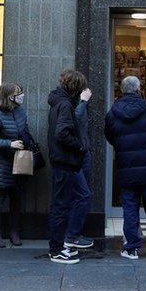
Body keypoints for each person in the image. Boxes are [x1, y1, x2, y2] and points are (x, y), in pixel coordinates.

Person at [105, 76, 146, 260]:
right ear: (139, 89)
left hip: (126, 168)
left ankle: (131, 247)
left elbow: (110, 136)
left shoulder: (113, 112)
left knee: (130, 209)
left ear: (122, 90)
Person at [0, 83, 40, 248]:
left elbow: (25, 129)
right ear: (9, 96)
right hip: (1, 164)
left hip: (20, 161)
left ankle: (15, 232)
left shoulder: (20, 111)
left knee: (16, 198)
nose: (21, 95)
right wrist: (9, 144)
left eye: (21, 91)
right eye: (17, 93)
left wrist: (26, 140)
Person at [46, 69, 89, 264]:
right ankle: (56, 250)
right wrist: (79, 145)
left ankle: (61, 245)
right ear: (75, 87)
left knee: (65, 202)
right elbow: (62, 133)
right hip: (65, 161)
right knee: (61, 205)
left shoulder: (59, 102)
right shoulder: (64, 105)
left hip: (62, 160)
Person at [64, 86, 94, 250]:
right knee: (82, 194)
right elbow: (73, 122)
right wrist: (83, 102)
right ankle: (71, 235)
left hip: (84, 153)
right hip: (76, 154)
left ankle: (74, 234)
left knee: (82, 194)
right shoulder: (67, 103)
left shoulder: (73, 102)